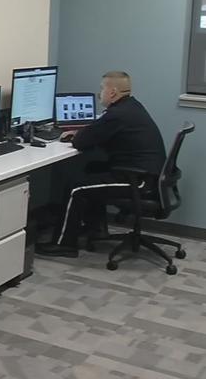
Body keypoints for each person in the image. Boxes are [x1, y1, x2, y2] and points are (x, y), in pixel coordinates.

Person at [37, 71, 166, 257]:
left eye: (102, 89)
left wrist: (78, 134)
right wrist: (85, 132)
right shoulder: (132, 106)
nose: (100, 94)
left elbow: (81, 142)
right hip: (146, 174)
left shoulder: (117, 115)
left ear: (112, 92)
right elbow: (99, 134)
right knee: (92, 168)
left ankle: (64, 244)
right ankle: (97, 229)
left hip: (138, 180)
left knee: (76, 188)